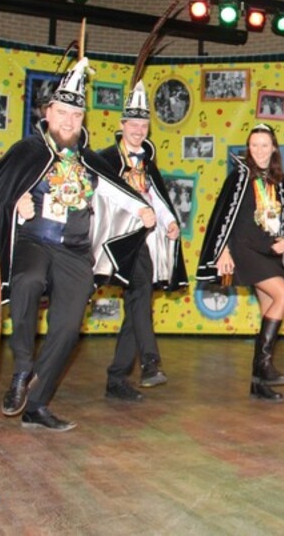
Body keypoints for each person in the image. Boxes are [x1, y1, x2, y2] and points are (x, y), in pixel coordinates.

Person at [0, 57, 157, 432]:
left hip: (75, 251)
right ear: (48, 112)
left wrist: (142, 210)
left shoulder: (90, 161)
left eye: (76, 115)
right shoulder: (27, 151)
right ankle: (22, 367)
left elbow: (117, 191)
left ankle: (36, 404)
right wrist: (17, 204)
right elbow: (1, 193)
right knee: (28, 280)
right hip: (35, 240)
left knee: (67, 329)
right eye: (62, 113)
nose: (68, 121)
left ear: (84, 119)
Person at [196, 124, 284, 402]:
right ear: (249, 148)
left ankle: (258, 383)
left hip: (269, 251)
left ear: (274, 148)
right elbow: (222, 218)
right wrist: (222, 251)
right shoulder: (238, 178)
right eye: (254, 145)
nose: (259, 151)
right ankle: (265, 366)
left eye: (264, 145)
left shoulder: (281, 183)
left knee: (270, 308)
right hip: (244, 249)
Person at [97, 81, 188, 401]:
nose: (138, 130)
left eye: (143, 125)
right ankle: (149, 362)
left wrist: (170, 221)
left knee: (139, 302)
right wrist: (135, 211)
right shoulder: (106, 158)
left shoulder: (146, 162)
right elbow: (103, 194)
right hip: (117, 241)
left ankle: (119, 376)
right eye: (133, 124)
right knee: (138, 300)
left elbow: (155, 197)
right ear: (122, 125)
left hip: (143, 243)